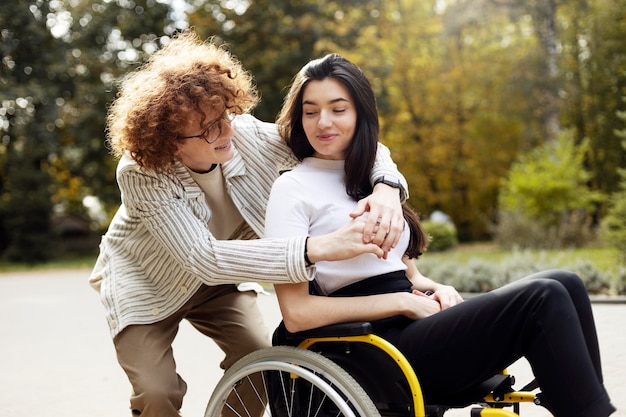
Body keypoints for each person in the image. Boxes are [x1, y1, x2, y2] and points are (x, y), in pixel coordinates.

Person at [265, 53, 616, 417]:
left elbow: (401, 273)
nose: (323, 122)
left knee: (567, 282)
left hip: (414, 324)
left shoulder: (373, 177)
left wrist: (435, 287)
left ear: (360, 114)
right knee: (543, 297)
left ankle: (581, 405)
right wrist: (401, 303)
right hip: (372, 349)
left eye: (338, 109)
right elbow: (297, 314)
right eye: (310, 111)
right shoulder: (292, 188)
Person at [88, 31, 410, 417]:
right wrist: (319, 247)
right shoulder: (141, 172)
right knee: (158, 391)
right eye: (207, 129)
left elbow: (342, 141)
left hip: (221, 281)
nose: (225, 132)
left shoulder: (246, 134)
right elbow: (201, 257)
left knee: (260, 360)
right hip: (147, 284)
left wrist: (388, 187)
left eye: (224, 116)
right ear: (170, 141)